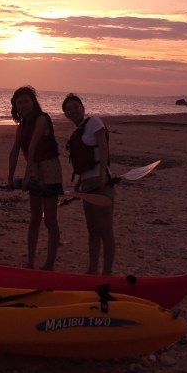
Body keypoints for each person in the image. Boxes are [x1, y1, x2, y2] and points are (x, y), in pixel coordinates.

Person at [7, 86, 63, 270]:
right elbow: (15, 150)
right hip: (34, 169)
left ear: (33, 102)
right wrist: (9, 177)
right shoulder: (22, 126)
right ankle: (30, 261)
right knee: (34, 218)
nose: (23, 105)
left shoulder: (42, 118)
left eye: (26, 101)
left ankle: (49, 263)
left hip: (49, 169)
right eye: (20, 102)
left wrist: (26, 175)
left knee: (50, 219)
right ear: (15, 106)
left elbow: (32, 147)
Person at [62, 93, 115, 275]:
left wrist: (102, 177)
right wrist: (78, 184)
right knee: (92, 229)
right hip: (86, 185)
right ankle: (92, 270)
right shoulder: (78, 132)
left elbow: (103, 149)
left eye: (76, 107)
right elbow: (84, 163)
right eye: (69, 109)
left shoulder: (93, 122)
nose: (73, 111)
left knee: (105, 230)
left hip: (101, 183)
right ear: (66, 114)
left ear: (83, 108)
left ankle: (107, 273)